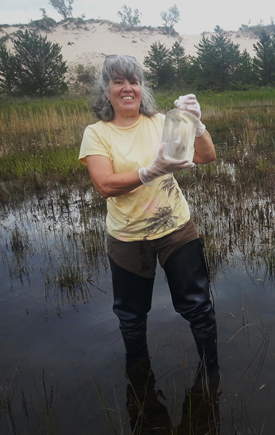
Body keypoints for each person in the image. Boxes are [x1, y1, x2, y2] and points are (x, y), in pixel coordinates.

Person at [79, 55, 218, 377]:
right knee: (131, 314)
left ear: (142, 88)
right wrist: (150, 171)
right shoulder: (97, 133)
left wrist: (195, 123)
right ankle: (140, 382)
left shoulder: (160, 121)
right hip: (128, 237)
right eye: (118, 81)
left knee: (197, 306)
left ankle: (211, 373)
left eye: (134, 81)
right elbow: (104, 185)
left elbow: (206, 156)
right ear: (106, 89)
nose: (127, 88)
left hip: (177, 229)